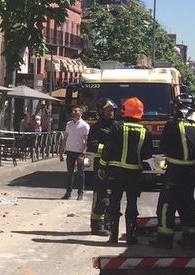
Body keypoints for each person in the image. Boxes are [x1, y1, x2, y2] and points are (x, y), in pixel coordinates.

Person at [150, 99, 195, 249]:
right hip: (190, 172)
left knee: (166, 205)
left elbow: (163, 146)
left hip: (174, 170)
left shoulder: (172, 125)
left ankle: (165, 240)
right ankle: (189, 240)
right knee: (187, 204)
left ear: (177, 108)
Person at [99, 97, 152, 245]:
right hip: (134, 173)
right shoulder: (144, 131)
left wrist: (102, 167)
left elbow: (107, 149)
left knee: (114, 202)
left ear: (124, 110)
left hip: (115, 172)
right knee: (132, 204)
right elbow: (147, 155)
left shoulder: (116, 127)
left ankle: (113, 236)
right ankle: (131, 237)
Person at [85, 99, 116, 235]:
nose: (111, 113)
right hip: (100, 164)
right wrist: (108, 149)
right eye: (108, 110)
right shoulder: (97, 127)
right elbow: (92, 145)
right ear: (101, 112)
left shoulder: (116, 126)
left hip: (114, 164)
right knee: (100, 195)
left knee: (111, 195)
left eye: (112, 110)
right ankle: (96, 225)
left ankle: (108, 224)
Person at [61, 106, 90, 200]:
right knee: (69, 173)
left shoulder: (84, 125)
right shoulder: (69, 124)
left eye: (75, 111)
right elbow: (65, 138)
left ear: (80, 113)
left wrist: (83, 153)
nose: (73, 112)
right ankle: (68, 192)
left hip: (79, 153)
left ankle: (80, 193)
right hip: (70, 151)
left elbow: (86, 141)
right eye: (73, 110)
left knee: (80, 173)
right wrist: (61, 151)